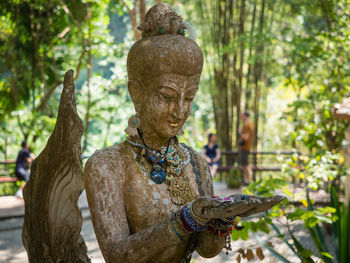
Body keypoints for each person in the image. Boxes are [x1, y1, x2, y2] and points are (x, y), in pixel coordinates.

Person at [84, 3, 283, 263]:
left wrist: (221, 221)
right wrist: (183, 220)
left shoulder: (197, 165)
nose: (179, 110)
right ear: (137, 93)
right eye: (167, 96)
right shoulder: (106, 166)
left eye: (189, 98)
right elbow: (117, 256)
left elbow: (206, 250)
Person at [238, 111, 254, 184]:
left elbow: (246, 137)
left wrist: (240, 132)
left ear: (245, 116)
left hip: (245, 147)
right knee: (244, 164)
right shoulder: (246, 124)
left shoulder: (247, 124)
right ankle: (246, 180)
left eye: (242, 115)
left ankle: (248, 180)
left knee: (245, 165)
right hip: (244, 147)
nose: (241, 116)